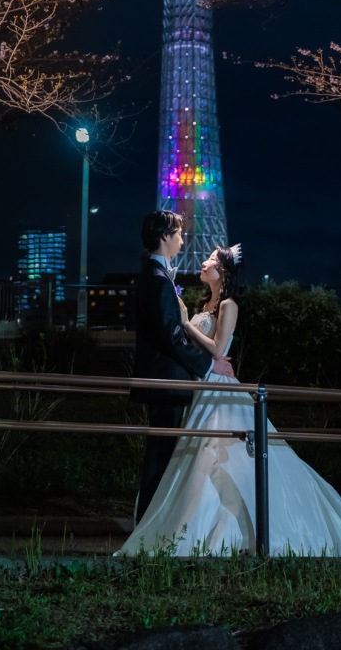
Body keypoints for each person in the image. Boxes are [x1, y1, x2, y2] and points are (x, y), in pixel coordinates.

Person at [120, 244, 341, 557]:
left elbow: (220, 351)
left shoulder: (228, 305)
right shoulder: (206, 305)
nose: (204, 262)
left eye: (210, 260)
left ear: (222, 272)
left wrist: (185, 325)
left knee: (224, 457)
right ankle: (203, 524)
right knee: (203, 459)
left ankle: (236, 529)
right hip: (204, 387)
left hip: (218, 385)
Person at [130, 210, 233, 523]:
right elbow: (171, 336)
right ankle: (149, 524)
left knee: (164, 455)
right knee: (162, 456)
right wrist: (209, 365)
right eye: (178, 233)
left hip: (166, 380)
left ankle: (154, 522)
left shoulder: (154, 275)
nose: (182, 239)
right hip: (167, 382)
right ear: (164, 236)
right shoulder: (159, 279)